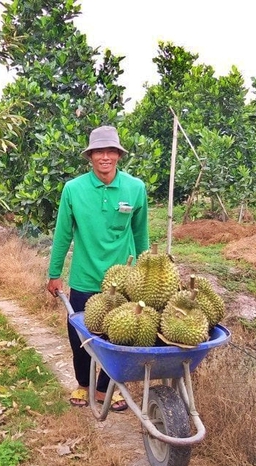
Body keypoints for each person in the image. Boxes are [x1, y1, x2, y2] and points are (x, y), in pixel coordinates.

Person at [46, 125, 150, 411]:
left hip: (124, 280)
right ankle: (82, 384)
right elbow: (63, 234)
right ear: (90, 157)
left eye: (111, 151)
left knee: (120, 338)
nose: (105, 157)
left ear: (118, 155)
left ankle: (107, 387)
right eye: (99, 152)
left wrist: (147, 274)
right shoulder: (74, 189)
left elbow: (141, 235)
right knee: (80, 337)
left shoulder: (135, 188)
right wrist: (54, 274)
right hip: (85, 277)